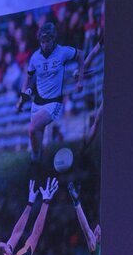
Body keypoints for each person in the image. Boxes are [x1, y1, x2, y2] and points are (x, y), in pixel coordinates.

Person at [17, 23, 84, 168]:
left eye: (48, 41)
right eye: (42, 41)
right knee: (37, 134)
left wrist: (80, 80)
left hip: (54, 102)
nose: (45, 44)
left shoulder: (63, 52)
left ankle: (35, 159)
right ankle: (38, 164)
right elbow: (28, 79)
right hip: (37, 102)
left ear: (53, 39)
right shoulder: (35, 57)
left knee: (32, 128)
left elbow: (81, 55)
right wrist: (21, 99)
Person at [68, 181, 101, 255]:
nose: (97, 231)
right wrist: (77, 204)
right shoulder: (95, 248)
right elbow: (86, 229)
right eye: (95, 232)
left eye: (99, 230)